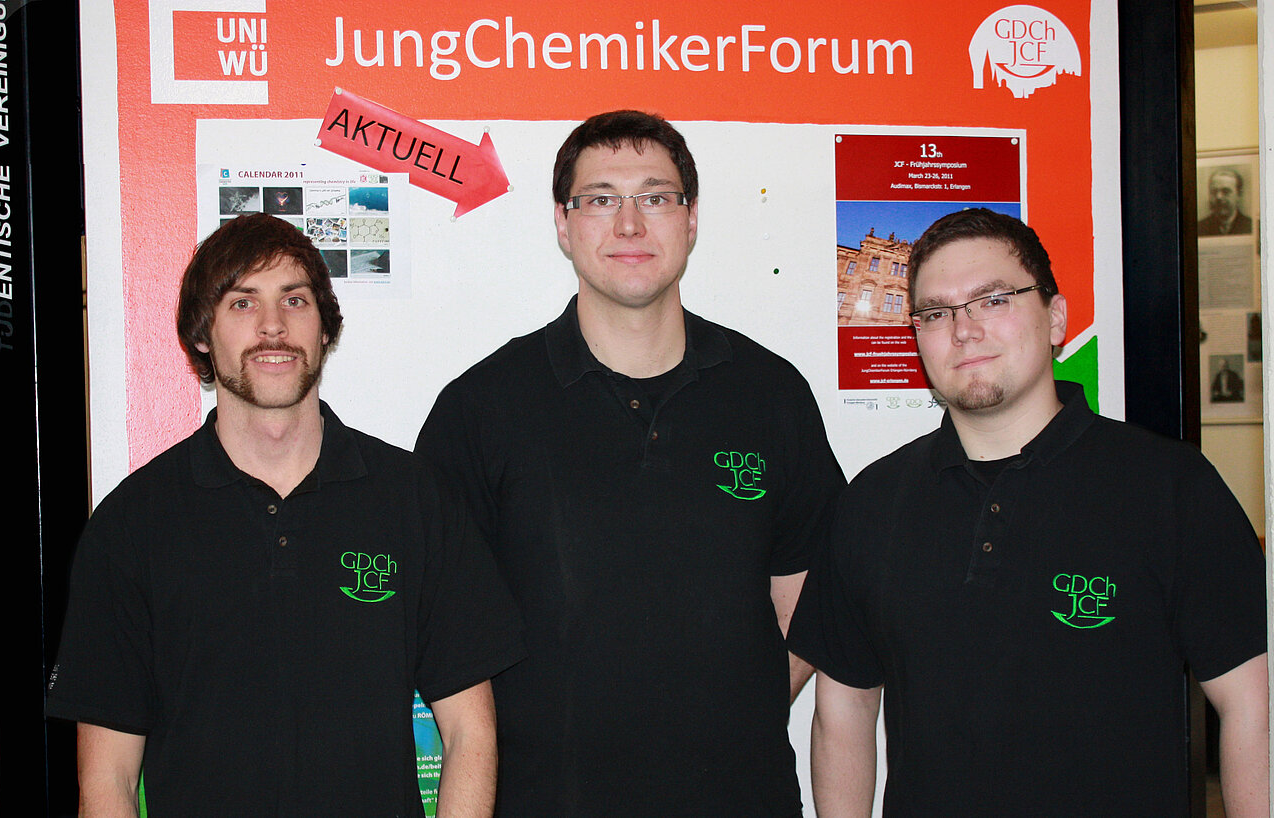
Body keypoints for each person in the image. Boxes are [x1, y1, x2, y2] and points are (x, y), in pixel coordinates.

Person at [415, 110, 845, 816]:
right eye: (600, 199)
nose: (630, 224)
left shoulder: (770, 395)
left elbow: (813, 592)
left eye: (655, 196)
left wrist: (737, 705)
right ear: (563, 224)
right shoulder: (482, 408)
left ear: (691, 218)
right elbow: (446, 629)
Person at [789, 208, 1268, 816]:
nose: (963, 330)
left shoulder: (1170, 487)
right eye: (936, 313)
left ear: (1056, 318)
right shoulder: (872, 502)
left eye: (993, 301)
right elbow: (844, 711)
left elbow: (1252, 706)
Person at [46, 213, 525, 817]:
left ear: (324, 330)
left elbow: (469, 734)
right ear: (202, 334)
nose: (273, 325)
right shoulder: (131, 524)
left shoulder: (416, 501)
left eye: (295, 300)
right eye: (243, 303)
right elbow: (108, 780)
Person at [1199, 168, 1254, 235]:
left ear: (1239, 194)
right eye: (1214, 191)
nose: (1218, 197)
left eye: (1225, 191)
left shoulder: (1251, 226)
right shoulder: (1200, 228)